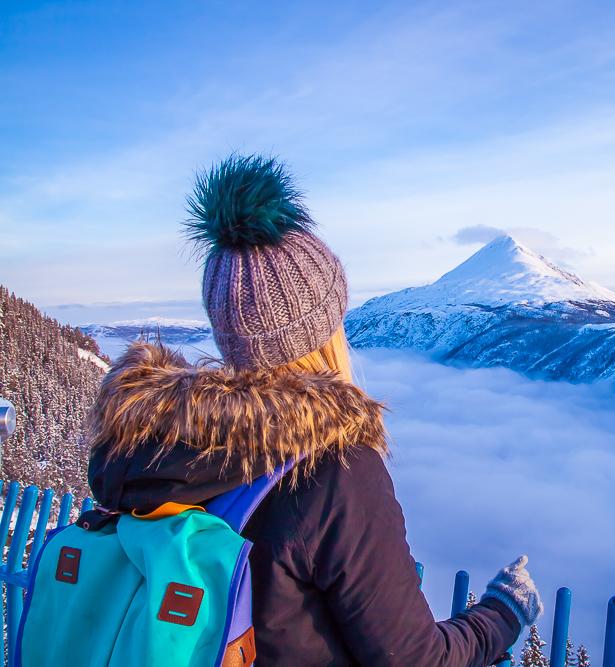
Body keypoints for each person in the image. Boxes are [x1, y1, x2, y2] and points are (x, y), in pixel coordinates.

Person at [86, 154, 541, 666]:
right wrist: (503, 613)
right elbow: (415, 659)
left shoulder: (156, 453)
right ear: (322, 332)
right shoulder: (336, 475)